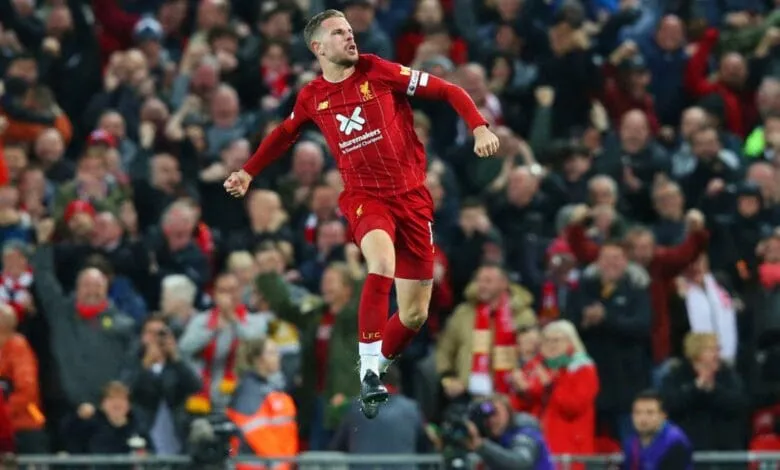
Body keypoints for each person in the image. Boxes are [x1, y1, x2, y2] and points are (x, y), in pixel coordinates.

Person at [224, 8, 499, 419]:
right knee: (381, 262)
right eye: (339, 33)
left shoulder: (379, 70)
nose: (350, 38)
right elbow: (284, 134)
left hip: (412, 199)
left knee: (414, 313)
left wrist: (479, 126)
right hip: (364, 198)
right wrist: (248, 173)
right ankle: (370, 370)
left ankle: (374, 366)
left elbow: (448, 90)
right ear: (318, 47)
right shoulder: (313, 97)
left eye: (350, 31)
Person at [621, 390, 693, 470]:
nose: (643, 418)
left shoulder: (675, 442)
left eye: (650, 412)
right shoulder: (631, 443)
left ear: (663, 415)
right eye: (638, 412)